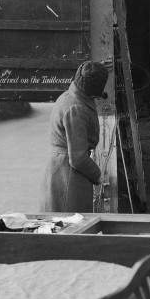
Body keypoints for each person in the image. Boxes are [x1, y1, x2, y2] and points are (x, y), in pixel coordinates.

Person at [41, 61, 109, 212]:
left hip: (61, 169)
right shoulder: (76, 108)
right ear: (92, 91)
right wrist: (98, 175)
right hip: (69, 177)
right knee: (72, 227)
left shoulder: (70, 96)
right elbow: (78, 158)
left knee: (62, 226)